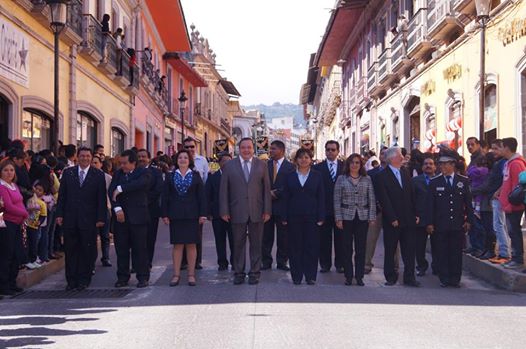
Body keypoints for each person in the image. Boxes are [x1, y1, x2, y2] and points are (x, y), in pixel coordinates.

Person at [219, 137, 271, 285]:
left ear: (253, 149)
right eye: (243, 148)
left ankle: (255, 273)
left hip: (257, 211)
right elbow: (224, 190)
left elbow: (266, 190)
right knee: (237, 244)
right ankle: (239, 272)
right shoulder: (229, 166)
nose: (246, 150)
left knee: (256, 244)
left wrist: (267, 210)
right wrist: (224, 210)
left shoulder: (261, 165)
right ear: (238, 149)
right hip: (236, 211)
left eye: (249, 147)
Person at [55, 147, 107, 291]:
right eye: (82, 156)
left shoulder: (98, 174)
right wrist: (59, 214)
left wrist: (101, 217)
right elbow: (62, 196)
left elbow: (101, 198)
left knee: (87, 250)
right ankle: (71, 280)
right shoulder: (68, 173)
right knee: (71, 251)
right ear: (77, 157)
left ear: (91, 158)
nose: (85, 158)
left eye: (87, 156)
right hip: (70, 218)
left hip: (89, 219)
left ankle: (84, 279)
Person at [426, 148, 474, 287]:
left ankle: (455, 278)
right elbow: (430, 205)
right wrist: (429, 223)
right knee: (442, 251)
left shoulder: (463, 181)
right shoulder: (435, 182)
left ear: (452, 165)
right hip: (440, 223)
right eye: (441, 164)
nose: (442, 167)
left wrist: (469, 220)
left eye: (445, 164)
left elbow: (468, 204)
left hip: (457, 223)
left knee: (456, 252)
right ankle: (444, 278)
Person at [161, 150, 207, 286]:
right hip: (176, 216)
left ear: (190, 160)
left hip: (192, 215)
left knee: (192, 245)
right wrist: (164, 214)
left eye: (185, 157)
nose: (182, 159)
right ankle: (176, 275)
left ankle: (191, 275)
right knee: (177, 245)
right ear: (176, 160)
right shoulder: (170, 176)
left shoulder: (195, 175)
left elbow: (201, 196)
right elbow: (165, 197)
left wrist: (202, 214)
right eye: (180, 157)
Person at [375, 147, 419, 287]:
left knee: (409, 249)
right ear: (393, 158)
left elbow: (412, 195)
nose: (403, 157)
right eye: (401, 155)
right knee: (390, 249)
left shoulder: (405, 172)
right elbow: (384, 199)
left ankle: (409, 277)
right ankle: (390, 277)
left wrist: (416, 214)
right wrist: (392, 217)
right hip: (393, 220)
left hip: (408, 218)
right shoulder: (382, 176)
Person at [109, 150, 151, 288]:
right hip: (121, 219)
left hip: (138, 218)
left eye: (125, 163)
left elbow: (140, 184)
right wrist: (117, 208)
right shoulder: (118, 174)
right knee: (121, 249)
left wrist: (121, 188)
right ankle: (122, 277)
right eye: (120, 163)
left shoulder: (143, 172)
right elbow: (111, 192)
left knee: (140, 249)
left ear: (133, 163)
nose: (122, 166)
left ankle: (142, 277)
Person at [282, 148, 325, 285]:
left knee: (311, 247)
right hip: (294, 216)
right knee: (295, 247)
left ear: (311, 160)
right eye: (300, 157)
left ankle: (310, 276)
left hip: (312, 216)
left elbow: (321, 197)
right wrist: (284, 216)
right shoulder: (289, 176)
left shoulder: (317, 176)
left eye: (306, 157)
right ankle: (296, 276)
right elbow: (285, 198)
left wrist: (321, 216)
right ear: (296, 160)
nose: (303, 160)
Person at [334, 154, 376, 286]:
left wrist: (372, 216)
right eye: (352, 162)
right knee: (346, 248)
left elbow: (371, 199)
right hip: (346, 217)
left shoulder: (366, 179)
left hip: (362, 217)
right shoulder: (341, 179)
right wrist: (338, 218)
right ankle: (348, 275)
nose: (354, 165)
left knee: (361, 248)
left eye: (357, 163)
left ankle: (359, 276)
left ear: (361, 165)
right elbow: (336, 200)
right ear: (348, 164)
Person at [472, 139, 510, 264]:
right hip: (488, 198)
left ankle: (501, 252)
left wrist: (473, 191)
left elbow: (495, 183)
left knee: (496, 226)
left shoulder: (504, 163)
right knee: (492, 226)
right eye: (492, 148)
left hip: (494, 199)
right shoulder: (497, 164)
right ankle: (490, 250)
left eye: (496, 148)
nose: (493, 151)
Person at [262, 140, 295, 270]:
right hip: (267, 207)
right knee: (266, 236)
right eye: (270, 149)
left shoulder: (291, 167)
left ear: (281, 150)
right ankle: (266, 261)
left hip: (283, 207)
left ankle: (282, 261)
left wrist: (276, 193)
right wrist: (267, 193)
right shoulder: (265, 165)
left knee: (283, 237)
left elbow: (291, 186)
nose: (270, 151)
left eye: (273, 149)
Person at [313, 140, 344, 273]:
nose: (330, 152)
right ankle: (325, 264)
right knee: (324, 239)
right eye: (328, 150)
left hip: (341, 210)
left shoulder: (345, 167)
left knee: (341, 239)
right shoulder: (318, 168)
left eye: (333, 149)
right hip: (324, 210)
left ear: (338, 151)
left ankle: (340, 264)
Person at [0, 159, 29, 296]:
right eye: (5, 170)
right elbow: (8, 206)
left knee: (17, 254)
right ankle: (4, 285)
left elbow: (20, 202)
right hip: (7, 224)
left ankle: (12, 282)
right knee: (7, 255)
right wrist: (25, 213)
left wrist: (23, 215)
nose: (9, 173)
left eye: (11, 170)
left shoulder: (14, 186)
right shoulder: (2, 187)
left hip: (18, 224)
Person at [498, 138, 526, 270]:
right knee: (511, 231)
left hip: (514, 206)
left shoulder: (516, 164)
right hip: (508, 205)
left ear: (507, 148)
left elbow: (518, 187)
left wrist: (509, 204)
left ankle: (517, 259)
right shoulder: (508, 163)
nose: (499, 150)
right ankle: (515, 258)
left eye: (501, 147)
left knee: (514, 232)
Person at [183, 137, 209, 269]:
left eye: (192, 146)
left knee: (197, 233)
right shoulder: (178, 161)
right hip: (181, 203)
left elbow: (205, 181)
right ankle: (183, 261)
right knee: (181, 232)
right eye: (187, 147)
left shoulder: (202, 161)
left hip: (197, 202)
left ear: (196, 147)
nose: (189, 149)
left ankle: (197, 261)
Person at [206, 154, 234, 270]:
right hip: (217, 214)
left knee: (234, 240)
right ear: (219, 163)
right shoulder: (213, 177)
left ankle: (235, 262)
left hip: (234, 214)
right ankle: (222, 263)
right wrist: (208, 212)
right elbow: (207, 195)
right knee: (219, 240)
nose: (227, 164)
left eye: (229, 161)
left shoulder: (236, 176)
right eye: (224, 161)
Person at [137, 149, 163, 269]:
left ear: (149, 158)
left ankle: (148, 262)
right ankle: (137, 263)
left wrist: (144, 201)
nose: (141, 159)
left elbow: (158, 190)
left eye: (144, 156)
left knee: (150, 238)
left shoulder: (157, 172)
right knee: (136, 239)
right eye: (139, 156)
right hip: (135, 210)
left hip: (151, 210)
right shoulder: (133, 171)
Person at [412, 154, 437, 276]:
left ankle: (437, 266)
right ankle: (421, 266)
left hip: (436, 218)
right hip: (420, 218)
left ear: (435, 167)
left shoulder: (440, 180)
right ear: (422, 167)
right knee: (419, 246)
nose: (428, 166)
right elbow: (411, 200)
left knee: (437, 246)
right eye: (426, 164)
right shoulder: (415, 181)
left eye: (431, 164)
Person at [91, 155, 112, 267]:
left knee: (105, 236)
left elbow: (112, 193)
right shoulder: (87, 176)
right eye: (92, 162)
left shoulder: (107, 178)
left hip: (105, 209)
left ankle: (106, 257)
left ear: (100, 164)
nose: (93, 165)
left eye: (96, 163)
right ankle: (91, 262)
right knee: (92, 237)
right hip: (91, 210)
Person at [24, 181, 48, 270]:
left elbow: (43, 215)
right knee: (28, 244)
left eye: (40, 190)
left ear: (44, 193)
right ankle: (28, 260)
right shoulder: (30, 199)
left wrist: (40, 222)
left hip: (35, 226)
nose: (37, 191)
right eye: (36, 189)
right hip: (27, 224)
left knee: (34, 244)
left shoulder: (42, 203)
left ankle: (33, 259)